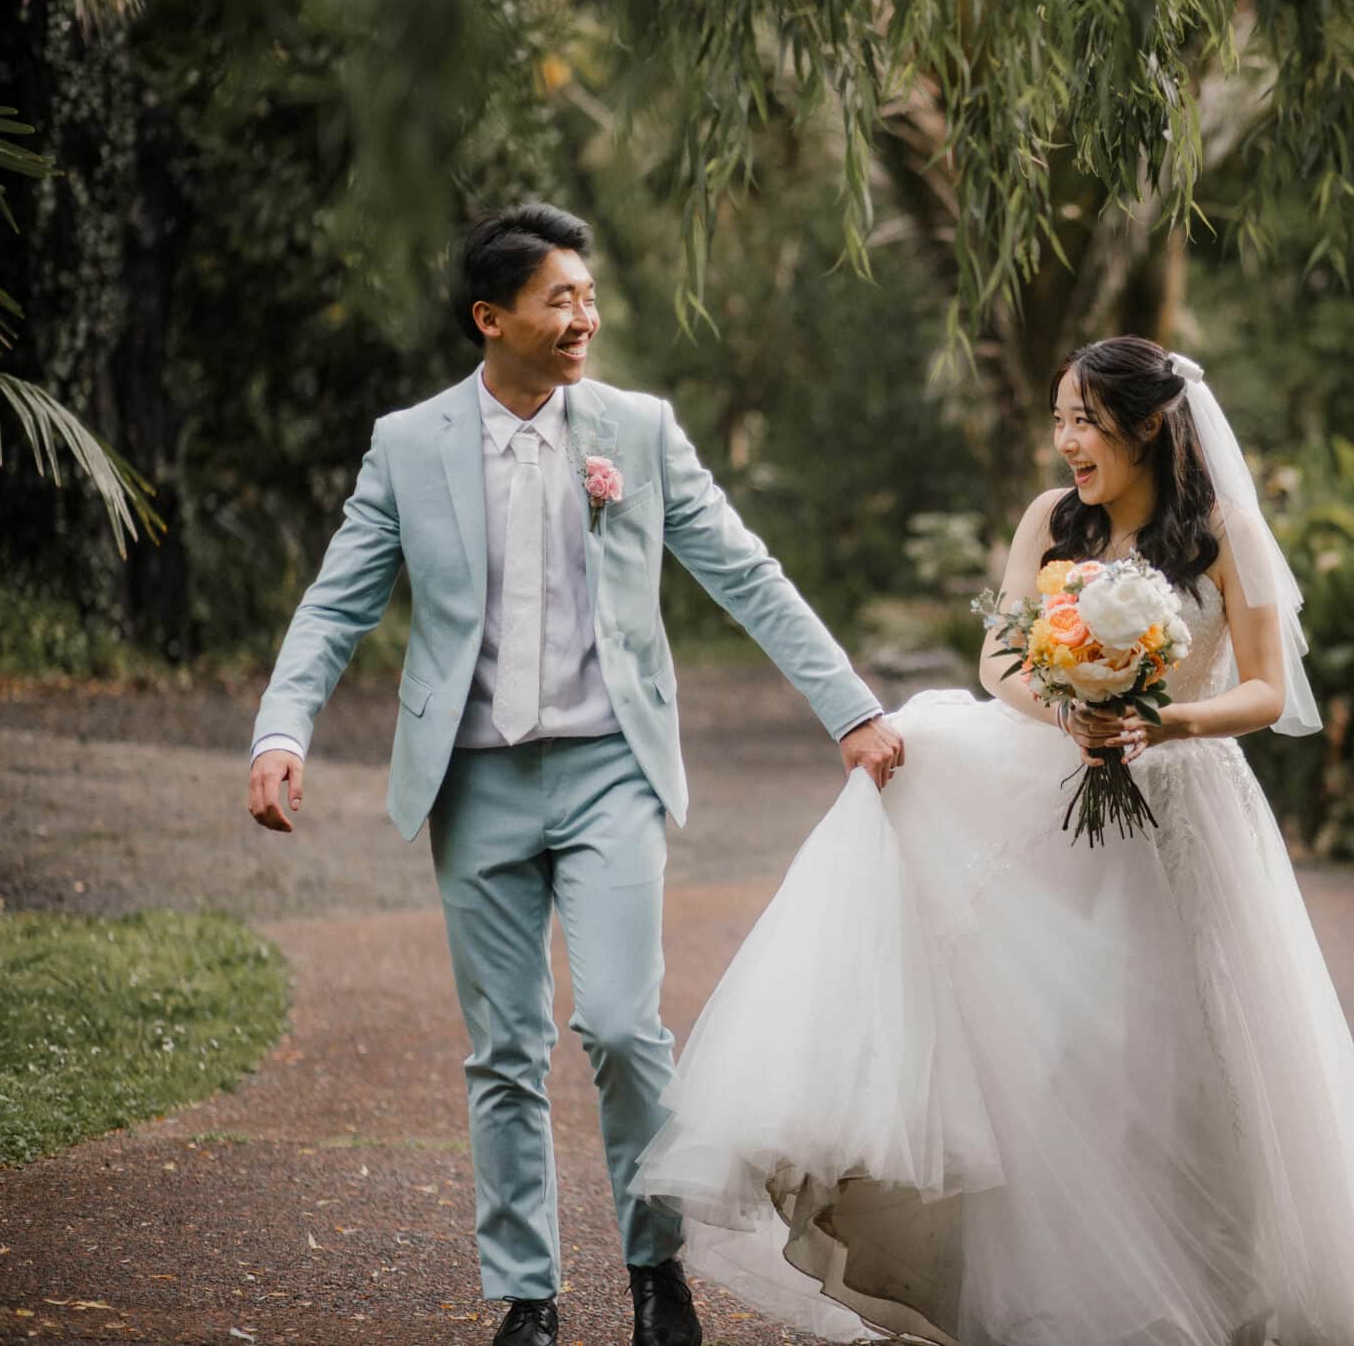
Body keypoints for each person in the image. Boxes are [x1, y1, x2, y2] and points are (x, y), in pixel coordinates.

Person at [628, 336, 1354, 1344]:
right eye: (1059, 418)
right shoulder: (1050, 520)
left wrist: (1161, 719)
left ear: (1147, 425)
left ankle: (1224, 1291)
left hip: (1185, 808)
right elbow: (997, 660)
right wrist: (1067, 712)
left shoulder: (1220, 534)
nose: (1066, 441)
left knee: (1187, 1053)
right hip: (1058, 784)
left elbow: (1268, 691)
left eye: (1085, 420)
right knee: (1051, 1028)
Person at [243, 201, 905, 1346]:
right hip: (476, 781)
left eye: (589, 298)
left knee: (616, 1024)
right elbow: (337, 601)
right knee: (503, 1047)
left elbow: (744, 572)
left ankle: (656, 1268)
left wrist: (847, 706)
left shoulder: (635, 431)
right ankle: (527, 1297)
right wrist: (278, 732)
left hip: (610, 768)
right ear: (489, 318)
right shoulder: (408, 445)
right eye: (561, 299)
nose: (583, 317)